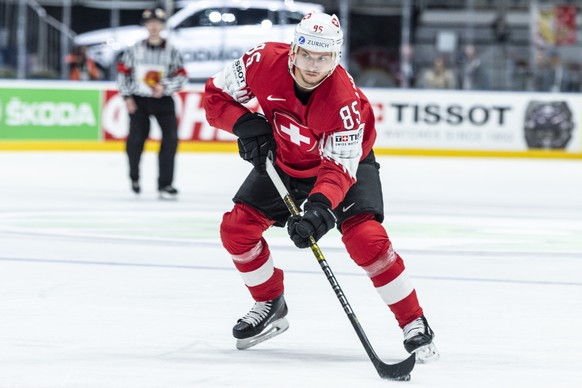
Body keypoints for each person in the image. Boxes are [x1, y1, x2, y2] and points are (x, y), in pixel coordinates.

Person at [202, 12, 439, 362]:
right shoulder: (261, 60)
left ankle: (413, 321)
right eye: (308, 54)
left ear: (336, 57)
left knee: (366, 240)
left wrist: (319, 209)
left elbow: (338, 170)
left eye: (324, 57)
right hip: (286, 158)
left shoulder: (344, 103)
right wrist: (243, 124)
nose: (314, 65)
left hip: (345, 165)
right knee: (236, 229)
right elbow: (214, 97)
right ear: (294, 50)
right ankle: (270, 301)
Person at [117, 7, 187, 199]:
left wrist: (164, 87)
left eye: (158, 23)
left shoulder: (172, 51)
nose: (154, 27)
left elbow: (181, 76)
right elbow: (123, 74)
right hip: (139, 101)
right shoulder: (134, 50)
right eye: (150, 23)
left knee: (170, 141)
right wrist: (127, 97)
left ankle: (165, 184)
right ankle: (134, 177)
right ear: (146, 26)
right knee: (135, 141)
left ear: (163, 26)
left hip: (163, 100)